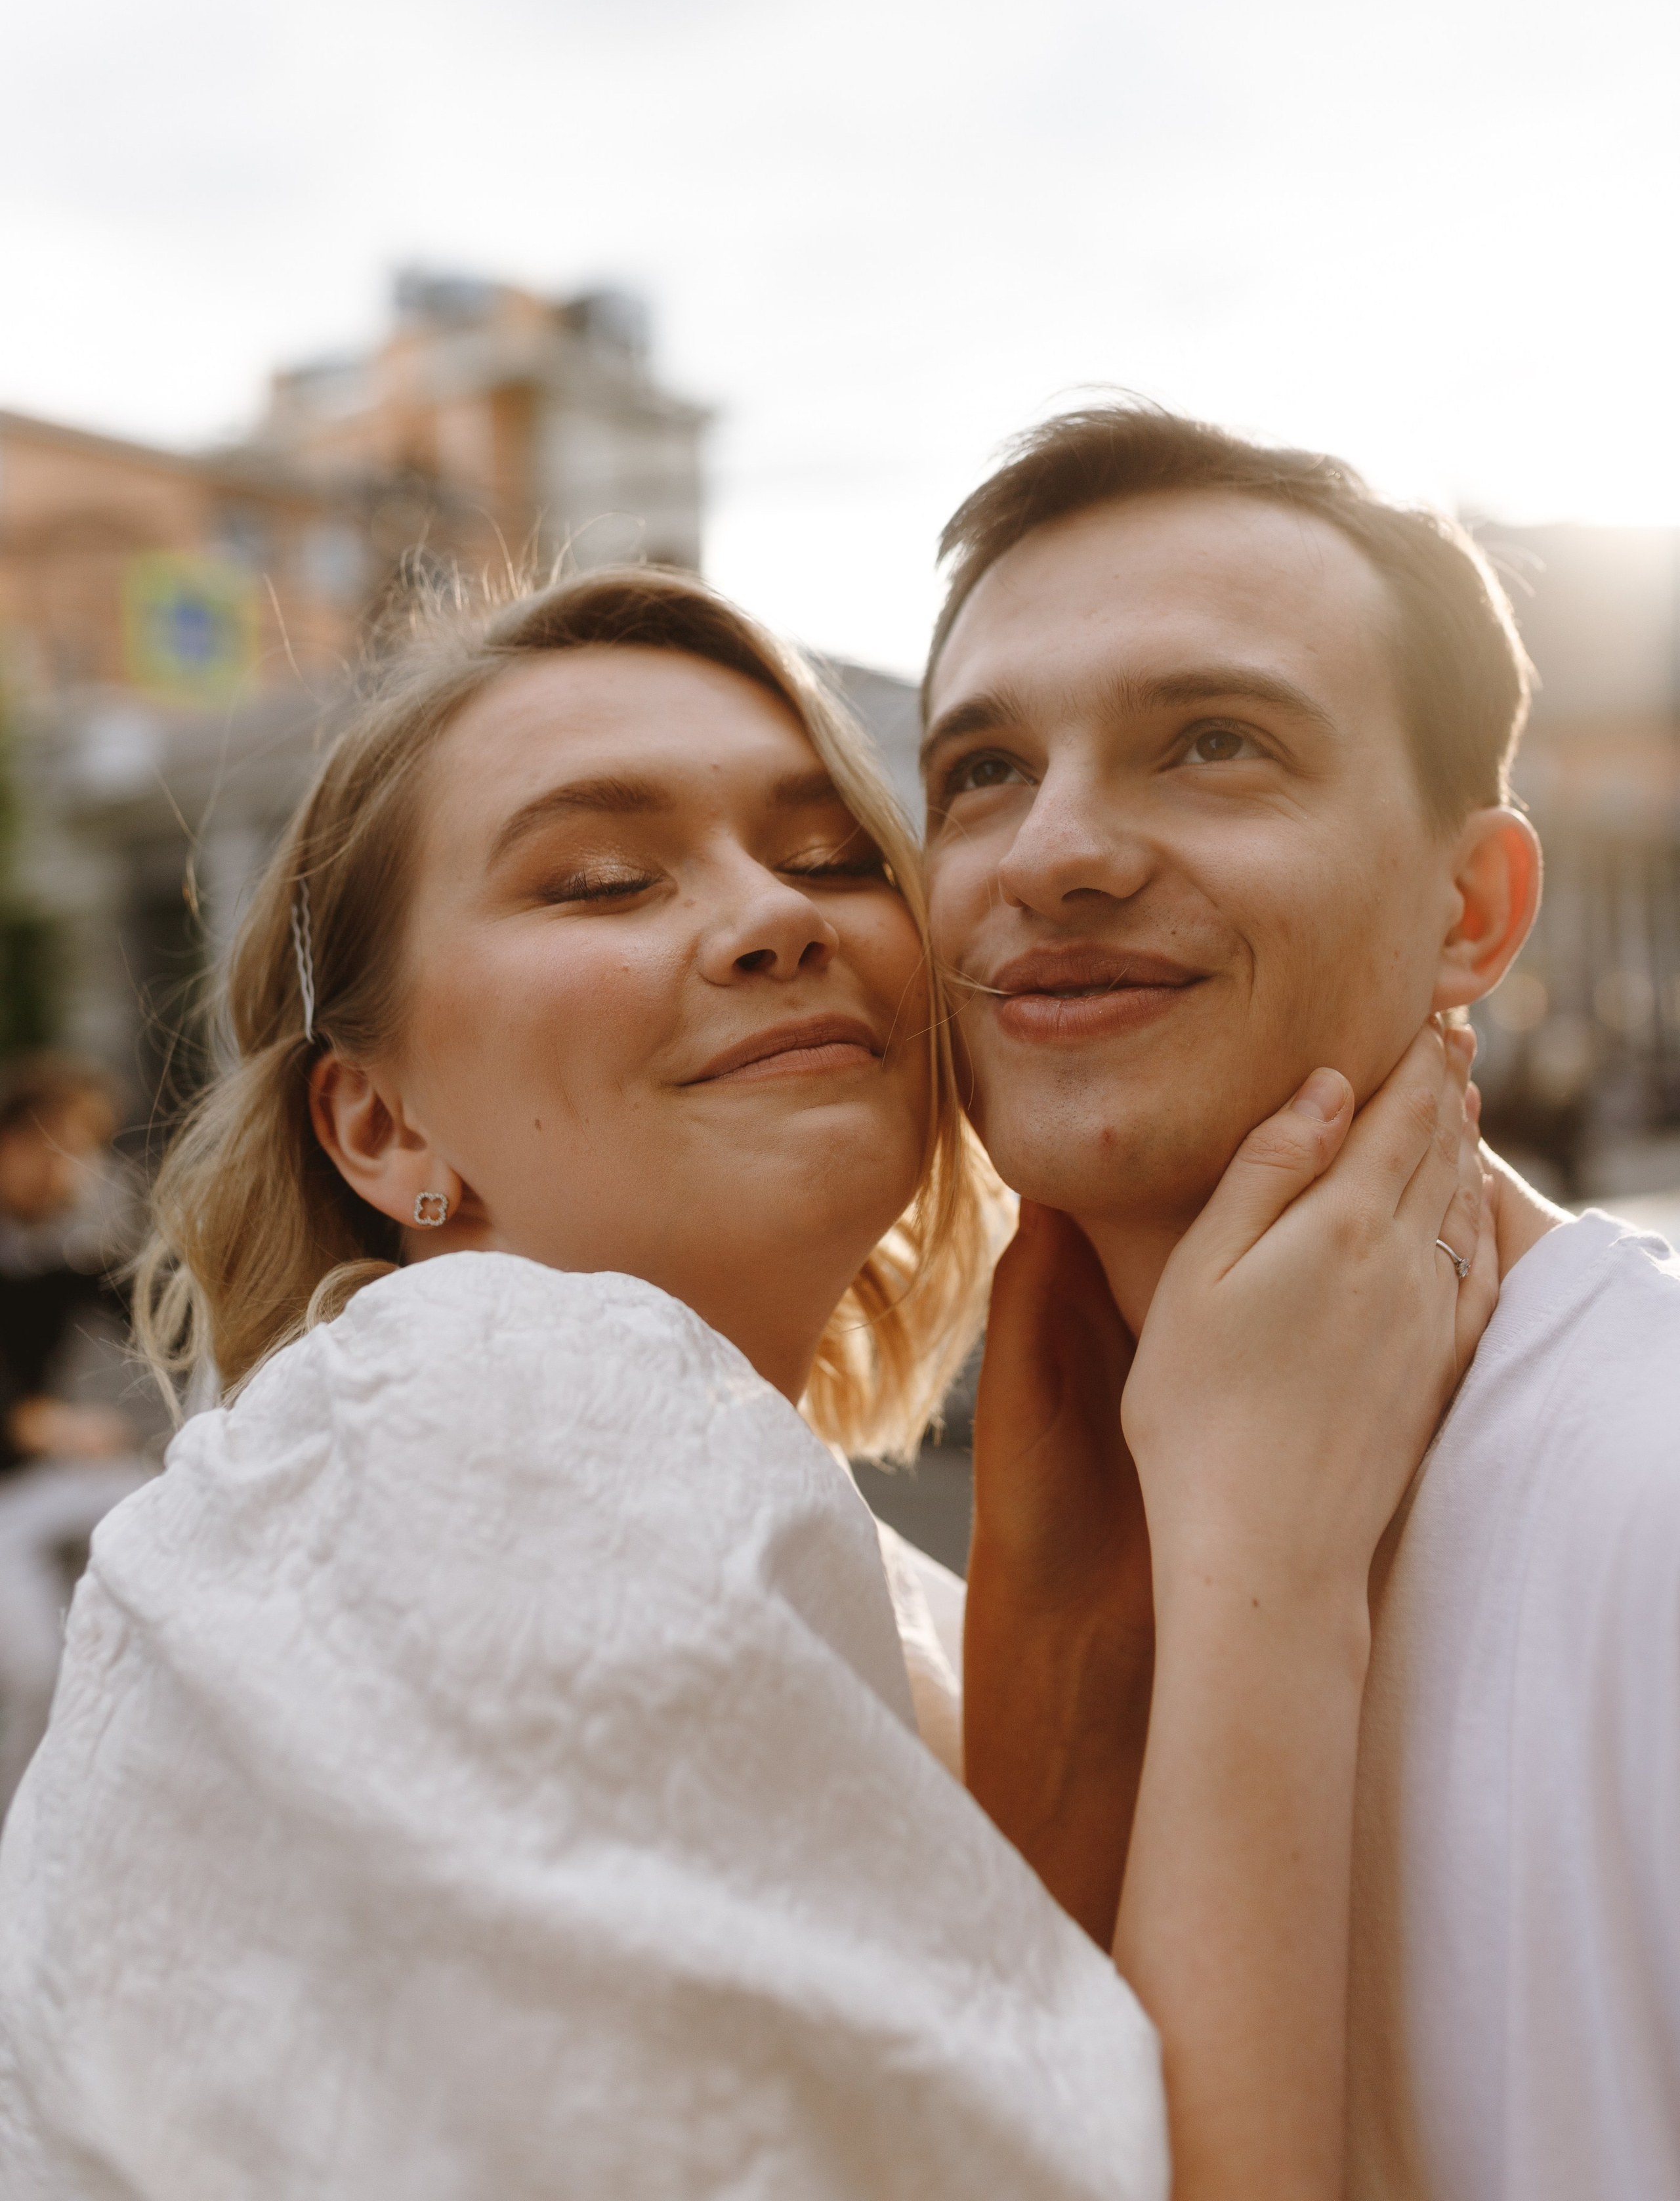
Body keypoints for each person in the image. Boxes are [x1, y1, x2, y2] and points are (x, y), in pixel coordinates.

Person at [0, 568, 1484, 2201]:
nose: (775, 918)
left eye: (832, 855)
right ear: (381, 1128)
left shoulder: (799, 1541)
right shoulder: (473, 1402)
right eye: (604, 879)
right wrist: (1262, 1537)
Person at [921, 402, 1680, 2201]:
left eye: (1212, 743)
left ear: (1471, 913)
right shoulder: (1036, 1557)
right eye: (981, 771)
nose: (1058, 852)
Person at [0, 1054, 150, 1812]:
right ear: (17, 1145)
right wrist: (46, 1424)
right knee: (33, 1670)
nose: (85, 1166)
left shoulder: (54, 1244)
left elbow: (152, 1312)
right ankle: (24, 1827)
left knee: (154, 1504)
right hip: (10, 1487)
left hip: (33, 1482)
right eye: (75, 1144)